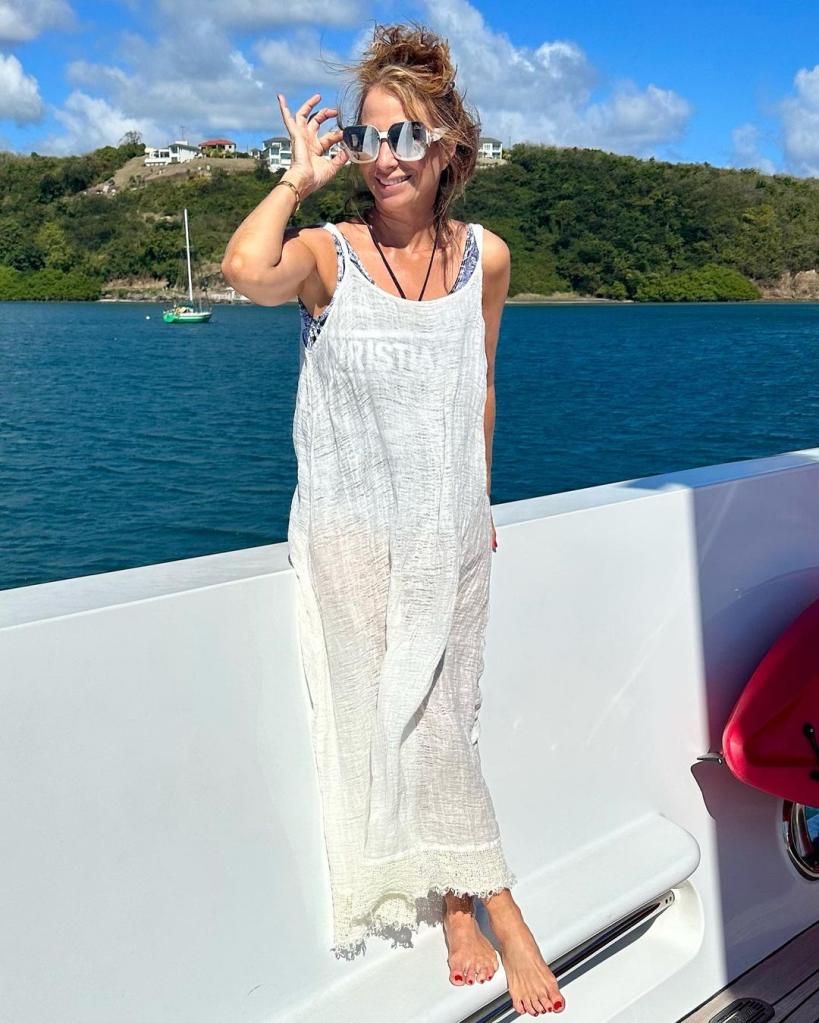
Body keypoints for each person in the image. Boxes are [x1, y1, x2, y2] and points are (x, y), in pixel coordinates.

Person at [221, 21, 565, 1019]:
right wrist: (297, 179)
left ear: (452, 148)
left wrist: (481, 499)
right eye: (371, 138)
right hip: (353, 540)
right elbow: (245, 271)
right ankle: (502, 908)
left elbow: (481, 384)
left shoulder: (485, 260)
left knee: (446, 718)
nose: (384, 159)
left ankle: (455, 901)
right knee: (409, 725)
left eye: (408, 137)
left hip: (452, 535)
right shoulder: (329, 254)